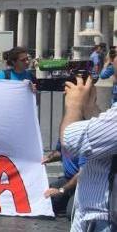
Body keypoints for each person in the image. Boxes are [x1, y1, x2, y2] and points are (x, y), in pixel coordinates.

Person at [60, 75, 115, 231]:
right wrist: (89, 107)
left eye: (114, 53)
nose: (110, 61)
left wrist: (74, 106)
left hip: (103, 220)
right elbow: (104, 131)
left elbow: (70, 141)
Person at [42, 139, 85, 216]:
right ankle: (66, 201)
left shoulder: (84, 140)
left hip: (83, 183)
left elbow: (82, 174)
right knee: (46, 196)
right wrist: (48, 158)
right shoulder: (63, 132)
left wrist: (60, 191)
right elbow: (59, 152)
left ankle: (71, 201)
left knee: (71, 213)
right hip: (68, 179)